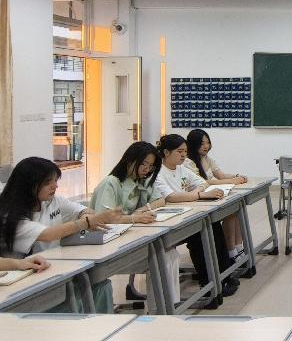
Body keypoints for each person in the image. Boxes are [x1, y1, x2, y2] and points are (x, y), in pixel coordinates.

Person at [0, 157, 123, 313]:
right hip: (27, 279)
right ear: (28, 185)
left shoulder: (51, 201)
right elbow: (48, 234)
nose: (55, 186)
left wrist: (87, 216)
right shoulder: (10, 216)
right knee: (75, 299)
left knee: (101, 285)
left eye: (55, 181)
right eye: (47, 183)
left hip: (53, 266)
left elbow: (82, 211)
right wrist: (87, 222)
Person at [153, 134, 240, 298]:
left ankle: (224, 275)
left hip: (187, 212)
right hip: (171, 220)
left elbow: (202, 182)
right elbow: (170, 197)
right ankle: (208, 282)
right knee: (200, 236)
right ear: (166, 152)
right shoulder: (159, 172)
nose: (183, 155)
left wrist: (193, 193)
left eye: (185, 151)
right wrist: (198, 195)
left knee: (214, 226)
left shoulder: (180, 168)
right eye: (179, 151)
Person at [91, 141, 177, 303]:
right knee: (161, 257)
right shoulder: (111, 183)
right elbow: (104, 219)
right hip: (109, 246)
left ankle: (168, 306)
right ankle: (161, 308)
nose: (147, 169)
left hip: (129, 239)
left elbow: (160, 200)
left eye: (150, 166)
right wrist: (133, 218)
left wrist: (141, 210)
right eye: (144, 164)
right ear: (129, 160)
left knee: (169, 253)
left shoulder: (141, 180)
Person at [184, 129, 247, 260]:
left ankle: (238, 247)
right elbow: (204, 182)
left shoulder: (207, 159)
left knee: (237, 209)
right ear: (193, 144)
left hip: (214, 195)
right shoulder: (188, 162)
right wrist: (231, 181)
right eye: (202, 143)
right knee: (230, 213)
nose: (206, 146)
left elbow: (221, 175)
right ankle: (230, 251)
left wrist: (237, 176)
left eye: (208, 142)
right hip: (201, 199)